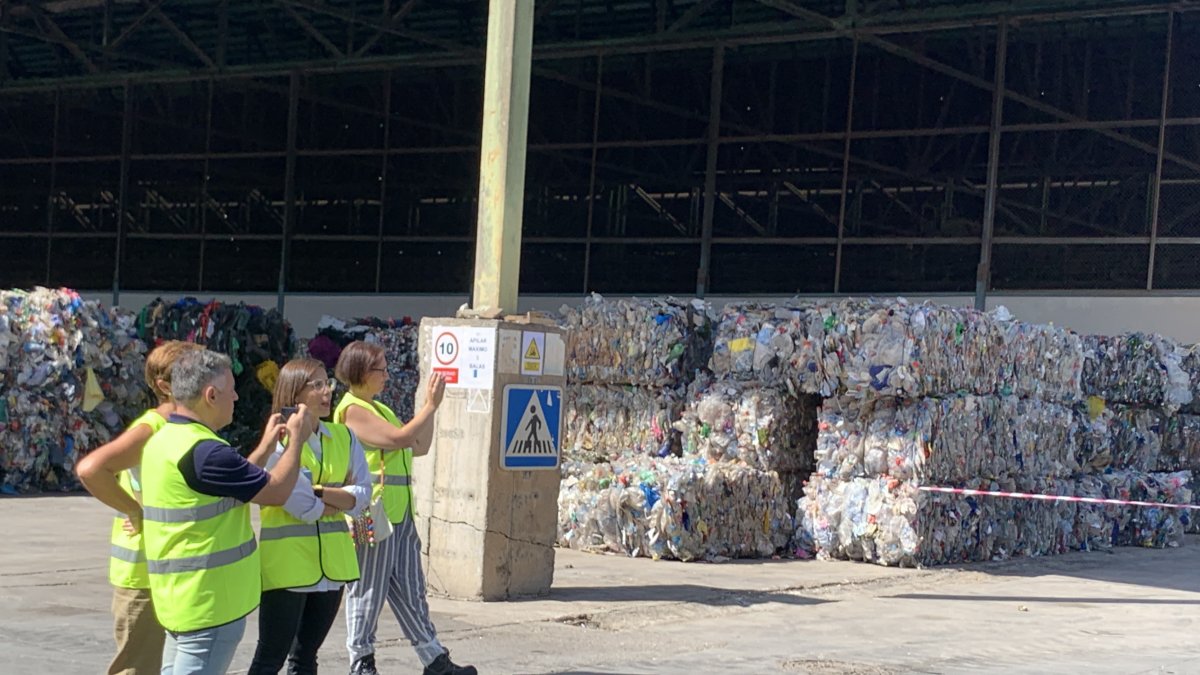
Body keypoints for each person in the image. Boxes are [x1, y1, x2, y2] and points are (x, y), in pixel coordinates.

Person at [140, 349, 309, 675]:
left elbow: (234, 487)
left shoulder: (167, 441)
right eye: (231, 389)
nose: (236, 397)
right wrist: (297, 441)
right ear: (211, 395)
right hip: (211, 604)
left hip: (179, 598)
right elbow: (276, 492)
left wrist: (264, 449)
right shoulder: (207, 453)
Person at [333, 341, 475, 675]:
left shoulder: (380, 409)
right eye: (381, 370)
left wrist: (431, 410)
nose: (386, 375)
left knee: (412, 591)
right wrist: (429, 406)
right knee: (367, 590)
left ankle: (433, 657)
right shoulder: (352, 409)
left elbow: (418, 444)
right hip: (372, 515)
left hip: (399, 514)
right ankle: (361, 660)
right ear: (361, 371)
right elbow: (398, 440)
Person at [77, 341, 205, 675]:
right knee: (139, 667)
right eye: (193, 373)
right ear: (165, 386)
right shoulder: (151, 428)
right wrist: (133, 509)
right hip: (143, 574)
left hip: (171, 569)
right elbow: (92, 470)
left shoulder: (185, 425)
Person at [248, 359, 372, 675]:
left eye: (327, 382)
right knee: (270, 659)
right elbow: (301, 505)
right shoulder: (277, 442)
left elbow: (362, 497)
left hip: (333, 567)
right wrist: (337, 496)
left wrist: (318, 492)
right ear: (294, 393)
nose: (326, 391)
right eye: (316, 385)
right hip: (287, 568)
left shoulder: (344, 436)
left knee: (306, 658)